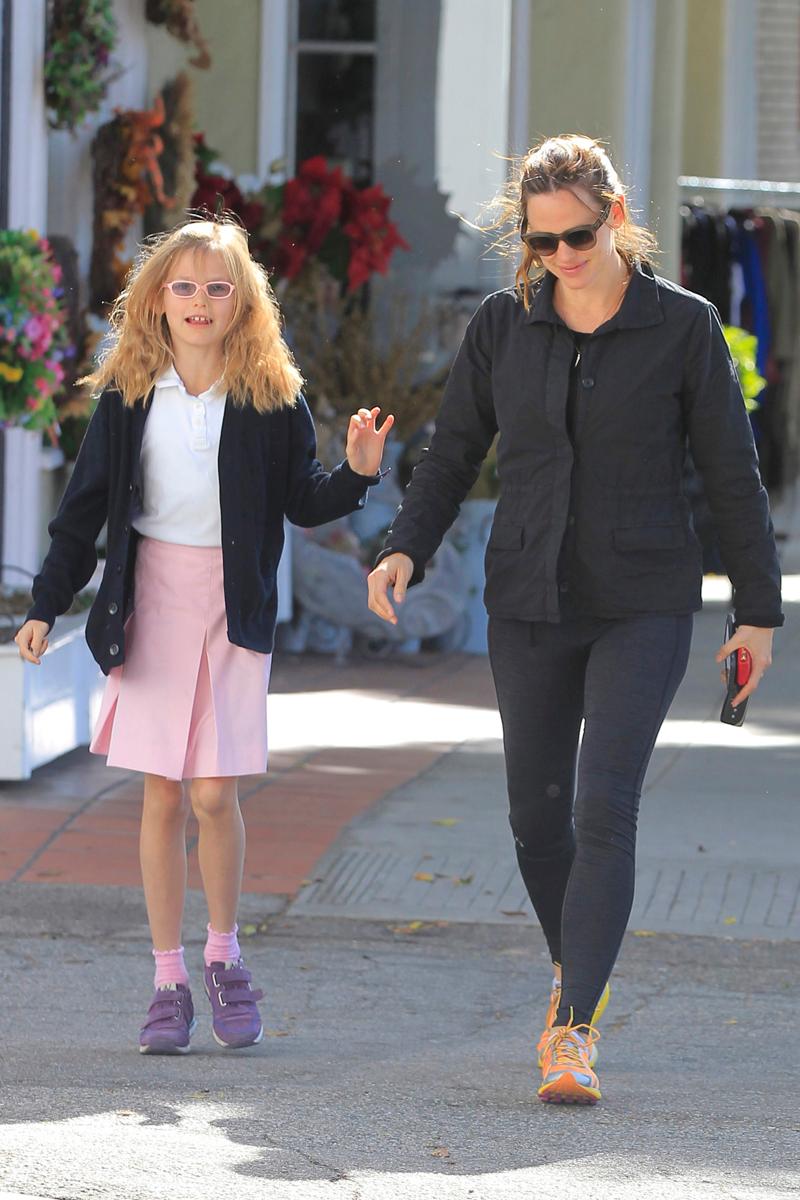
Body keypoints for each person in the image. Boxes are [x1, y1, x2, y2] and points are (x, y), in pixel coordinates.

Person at [367, 135, 782, 1105]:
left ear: (615, 214)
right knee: (532, 818)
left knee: (604, 806)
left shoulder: (681, 328)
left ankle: (570, 1030)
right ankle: (576, 972)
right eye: (543, 240)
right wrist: (403, 546)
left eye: (578, 235)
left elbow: (730, 475)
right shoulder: (501, 328)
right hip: (527, 600)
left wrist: (753, 615)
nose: (562, 255)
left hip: (640, 600)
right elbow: (453, 450)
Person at [16, 216, 393, 1054]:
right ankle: (167, 979)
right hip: (148, 601)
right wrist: (45, 604)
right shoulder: (124, 394)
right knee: (160, 793)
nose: (199, 301)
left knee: (216, 793)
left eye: (217, 287)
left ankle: (225, 956)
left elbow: (304, 501)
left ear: (242, 301)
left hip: (232, 607)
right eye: (182, 286)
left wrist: (360, 473)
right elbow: (81, 519)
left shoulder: (270, 393)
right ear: (155, 299)